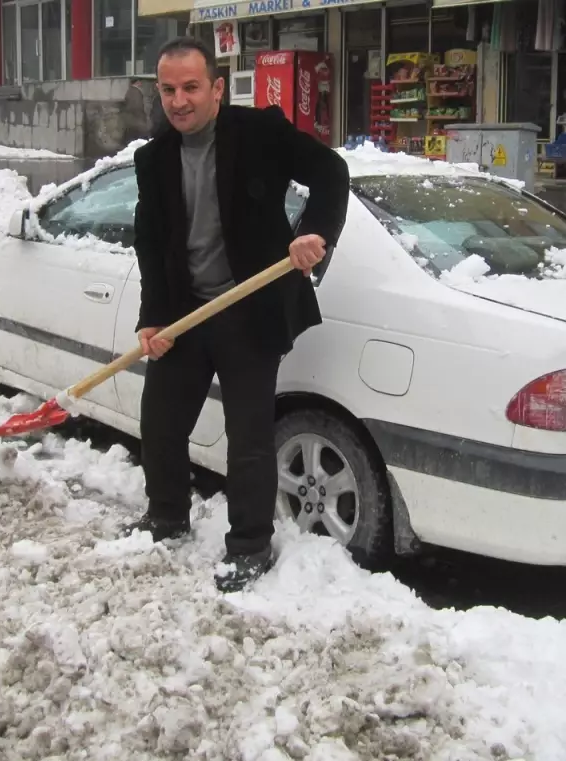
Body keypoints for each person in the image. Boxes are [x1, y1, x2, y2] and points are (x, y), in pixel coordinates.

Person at [125, 36, 350, 593]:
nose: (179, 101)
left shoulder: (259, 134)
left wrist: (314, 232)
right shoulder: (153, 158)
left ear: (217, 88)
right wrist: (151, 317)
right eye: (169, 89)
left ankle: (249, 544)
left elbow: (330, 172)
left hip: (250, 309)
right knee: (160, 422)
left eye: (191, 88)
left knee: (247, 435)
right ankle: (167, 516)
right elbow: (150, 241)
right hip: (186, 313)